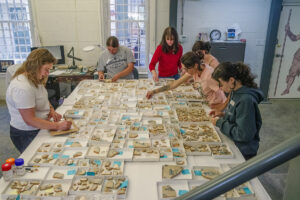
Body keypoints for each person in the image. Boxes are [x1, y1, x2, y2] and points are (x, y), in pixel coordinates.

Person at [6, 48, 72, 153]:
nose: (47, 73)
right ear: (36, 66)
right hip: (26, 133)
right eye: (46, 69)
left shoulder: (35, 78)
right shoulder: (22, 87)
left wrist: (51, 110)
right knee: (37, 160)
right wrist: (57, 126)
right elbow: (30, 120)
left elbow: (42, 97)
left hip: (38, 127)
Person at [210, 62, 264, 160]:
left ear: (231, 80)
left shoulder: (246, 100)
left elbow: (243, 134)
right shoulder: (235, 91)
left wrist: (220, 123)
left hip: (243, 150)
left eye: (221, 84)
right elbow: (238, 116)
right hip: (234, 141)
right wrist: (223, 115)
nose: (220, 88)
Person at [146, 51, 226, 107]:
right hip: (205, 103)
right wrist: (154, 91)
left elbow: (225, 96)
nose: (185, 71)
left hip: (214, 106)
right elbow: (174, 84)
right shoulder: (194, 70)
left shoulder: (209, 76)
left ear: (195, 65)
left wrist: (218, 109)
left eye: (186, 69)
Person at [281, 23, 300, 95]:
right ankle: (287, 89)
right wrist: (288, 31)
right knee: (292, 74)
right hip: (298, 59)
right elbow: (294, 38)